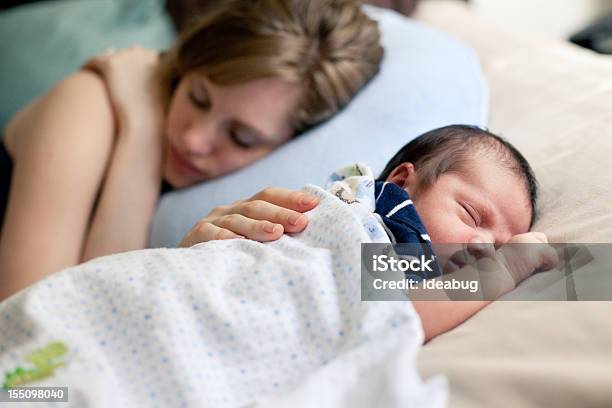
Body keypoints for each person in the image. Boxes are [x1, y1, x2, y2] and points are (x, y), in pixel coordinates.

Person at [0, 0, 383, 300]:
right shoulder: (89, 104)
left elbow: (439, 275)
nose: (193, 139)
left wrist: (142, 131)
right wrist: (141, 133)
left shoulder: (144, 124)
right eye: (198, 97)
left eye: (241, 137)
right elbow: (29, 324)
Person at [183, 125, 559, 341]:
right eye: (471, 215)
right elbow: (396, 313)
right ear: (401, 181)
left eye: (497, 247)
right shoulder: (365, 219)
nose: (481, 246)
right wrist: (506, 268)